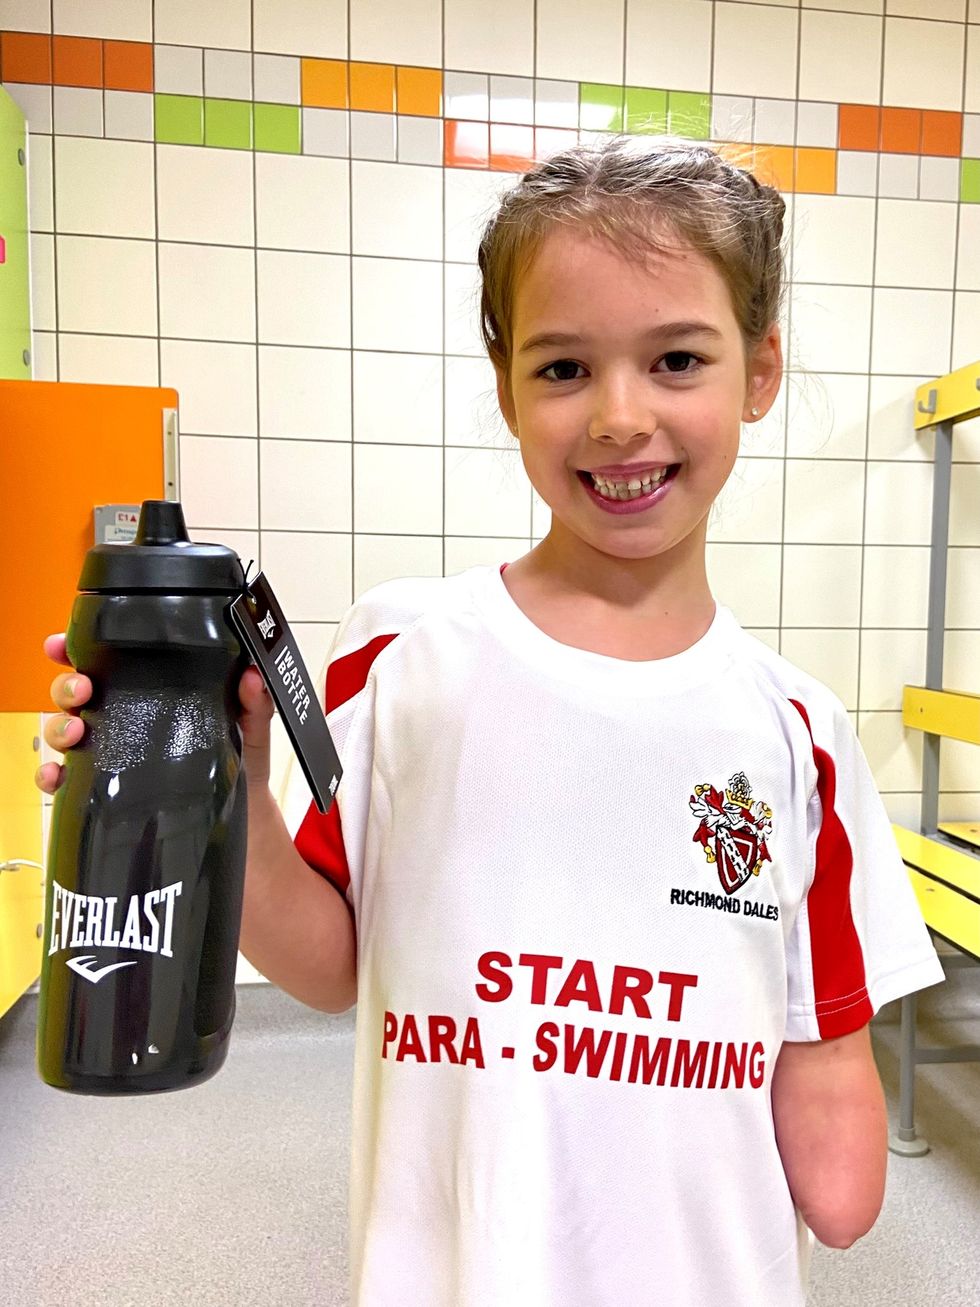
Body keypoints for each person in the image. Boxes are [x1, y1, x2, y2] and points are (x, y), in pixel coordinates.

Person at [38, 136, 945, 1306]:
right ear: (506, 371)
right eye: (564, 369)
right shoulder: (404, 656)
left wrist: (820, 1106)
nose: (620, 418)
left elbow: (825, 1086)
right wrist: (230, 781)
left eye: (675, 358)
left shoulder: (795, 732)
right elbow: (328, 967)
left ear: (759, 370)